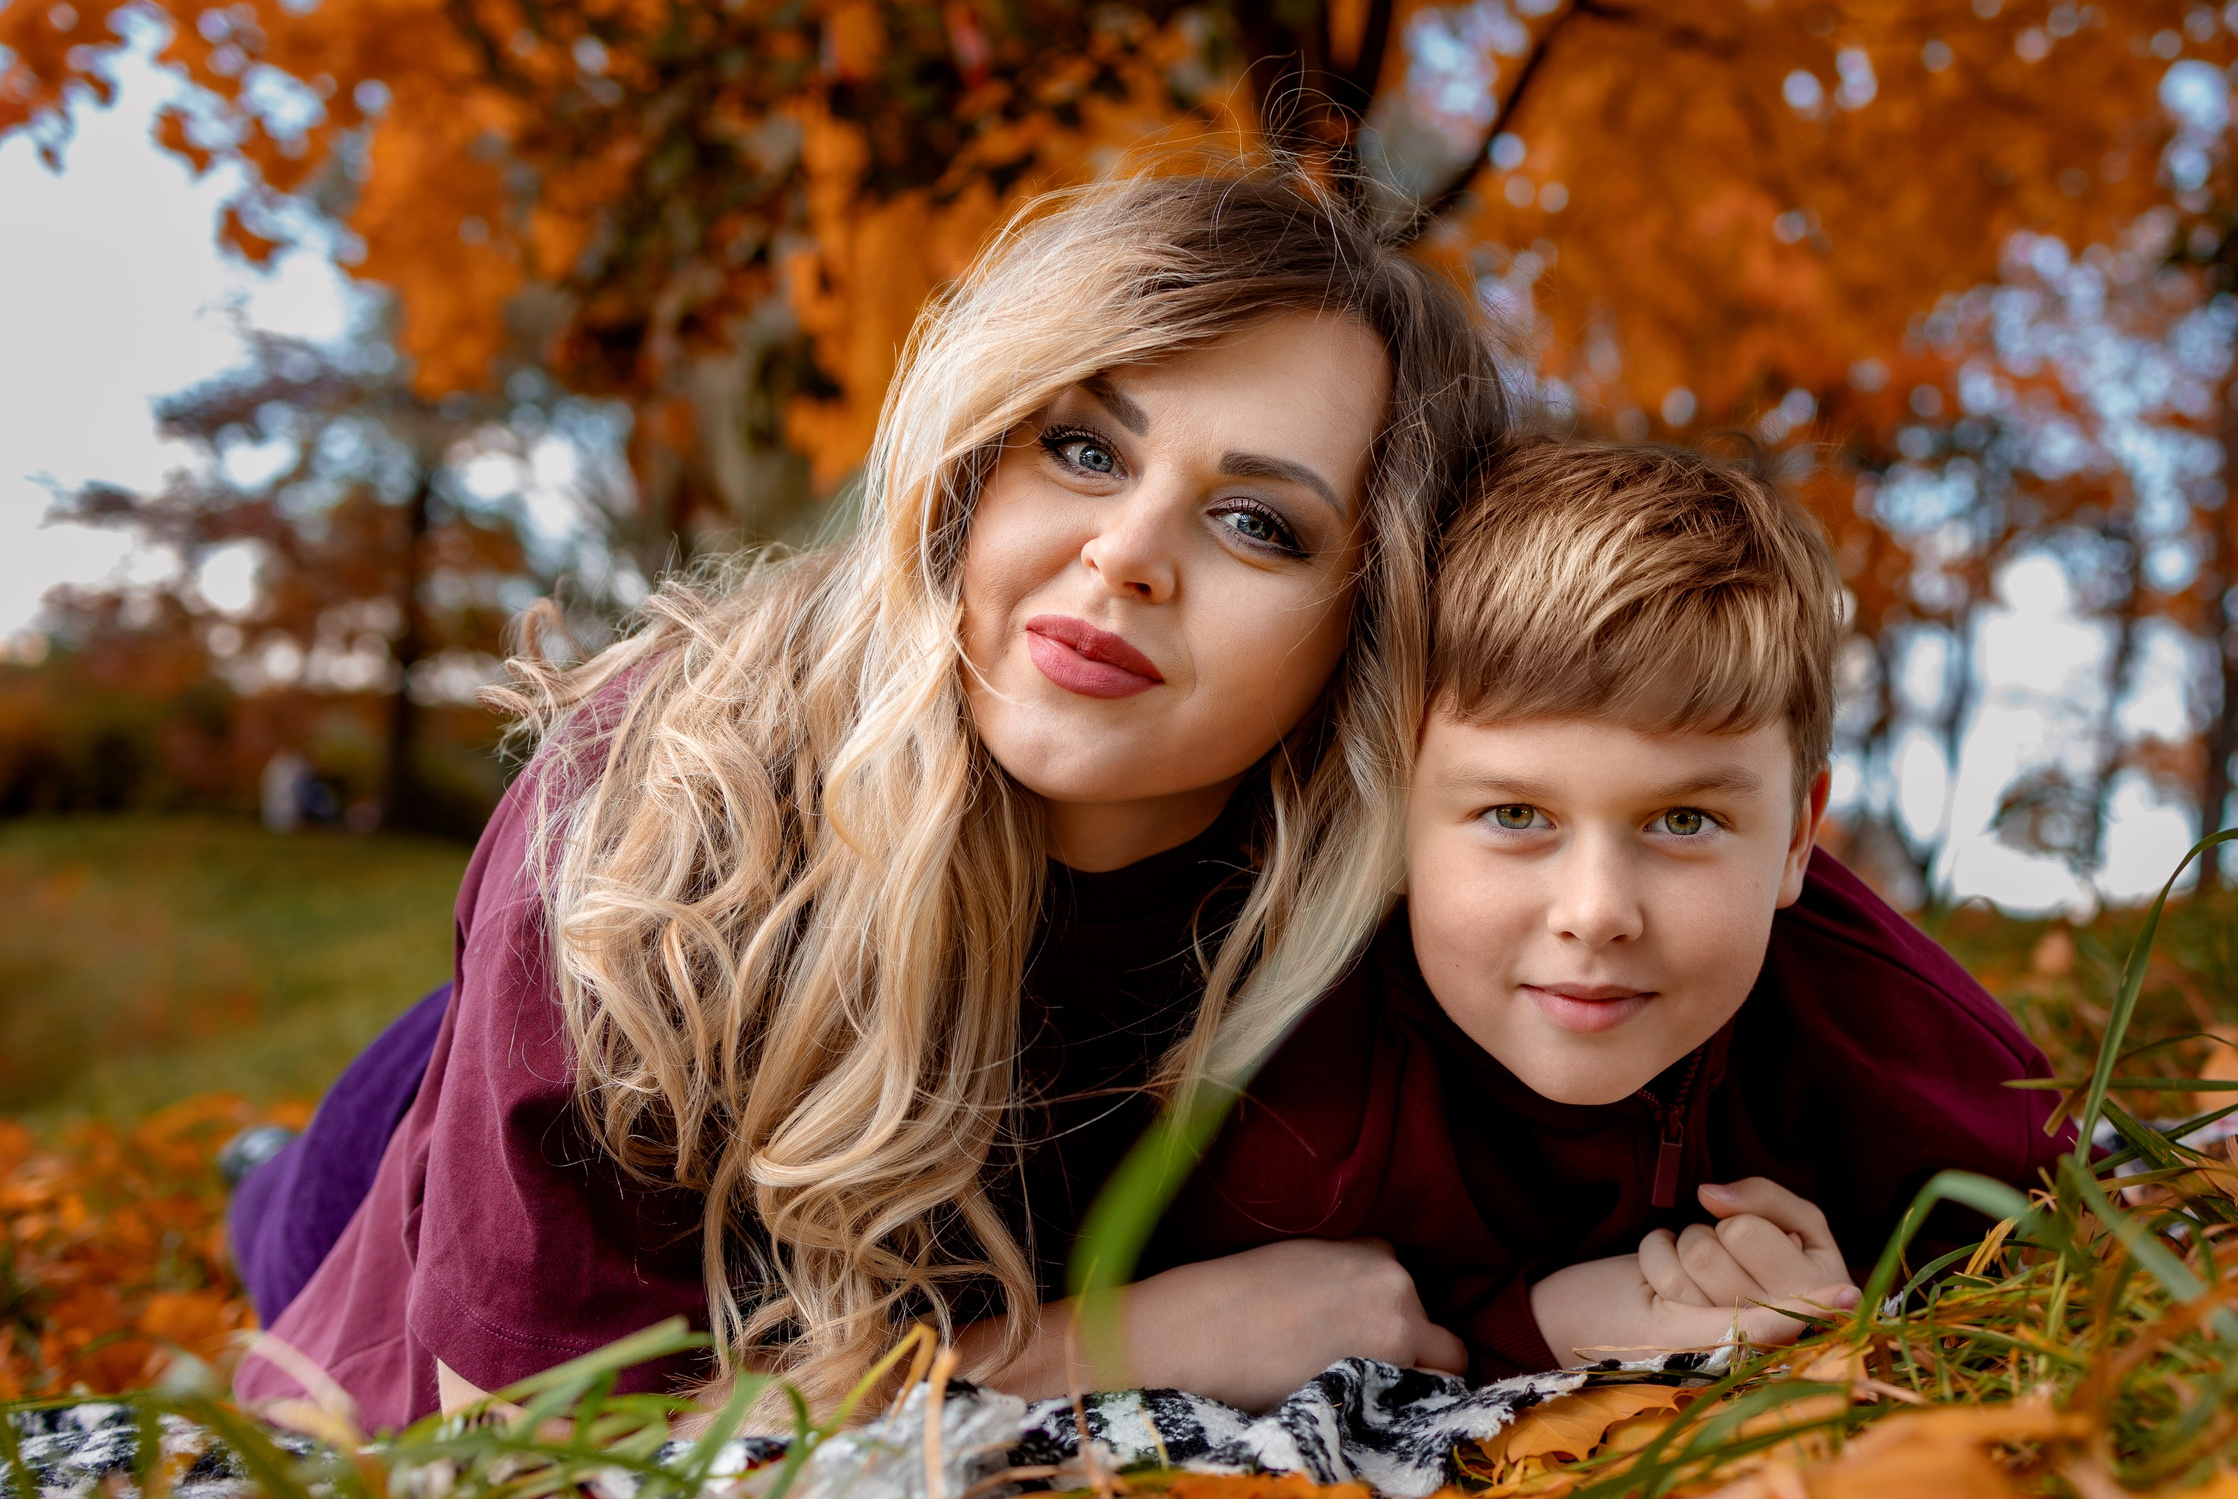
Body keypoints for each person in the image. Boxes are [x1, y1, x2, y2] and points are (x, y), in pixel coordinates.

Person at [233, 166, 1511, 1431]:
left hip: (652, 1121)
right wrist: (1095, 1345)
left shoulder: (1383, 922)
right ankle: (263, 1172)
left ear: (1371, 625)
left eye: (1255, 522)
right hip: (420, 1170)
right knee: (300, 1202)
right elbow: (533, 1442)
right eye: (1081, 448)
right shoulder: (652, 809)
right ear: (972, 463)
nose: (1125, 554)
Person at [1153, 439, 2073, 1388]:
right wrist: (1534, 1324)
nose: (1596, 914)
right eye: (1515, 815)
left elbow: (2053, 1245)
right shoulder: (1272, 1084)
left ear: (1798, 841)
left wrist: (1855, 1298)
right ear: (1390, 824)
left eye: (1684, 820)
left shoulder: (1914, 1068)